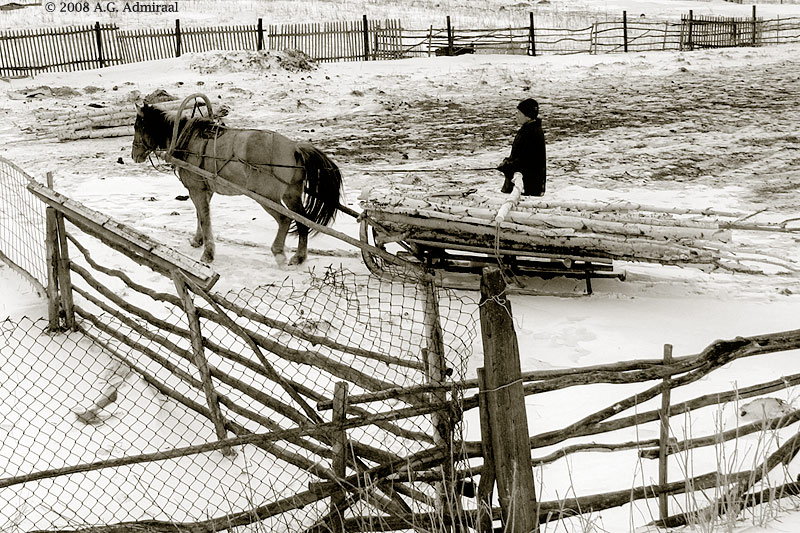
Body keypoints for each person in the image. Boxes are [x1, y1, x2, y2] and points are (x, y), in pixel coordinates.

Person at [497, 98, 547, 196]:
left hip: (527, 185)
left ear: (527, 116)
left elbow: (526, 161)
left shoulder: (531, 133)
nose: (516, 116)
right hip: (523, 182)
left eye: (519, 113)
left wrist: (507, 166)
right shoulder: (528, 130)